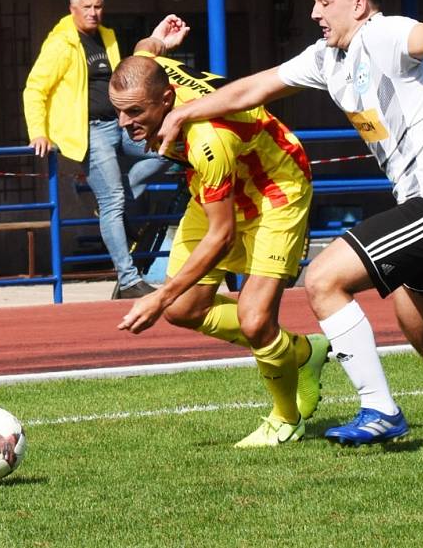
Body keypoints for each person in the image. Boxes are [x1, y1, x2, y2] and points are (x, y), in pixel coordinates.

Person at [156, 0, 423, 444]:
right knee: (418, 322)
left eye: (324, 1)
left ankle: (379, 410)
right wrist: (185, 113)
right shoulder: (327, 58)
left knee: (324, 279)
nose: (315, 13)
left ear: (358, 5)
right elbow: (252, 89)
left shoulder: (382, 33)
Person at [108, 31, 330, 448]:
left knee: (253, 318)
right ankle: (301, 353)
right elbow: (146, 52)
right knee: (184, 309)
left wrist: (156, 295)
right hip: (216, 189)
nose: (125, 123)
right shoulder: (153, 74)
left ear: (167, 100)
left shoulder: (208, 139)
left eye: (135, 111)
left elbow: (222, 236)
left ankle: (286, 418)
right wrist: (159, 38)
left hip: (274, 191)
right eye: (118, 112)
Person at [23, 0, 180, 299]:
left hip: (119, 124)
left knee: (169, 151)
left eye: (98, 7)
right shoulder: (61, 44)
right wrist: (38, 132)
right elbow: (35, 89)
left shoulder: (106, 37)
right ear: (72, 10)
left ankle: (118, 207)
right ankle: (128, 279)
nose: (94, 13)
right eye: (87, 8)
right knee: (112, 201)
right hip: (87, 132)